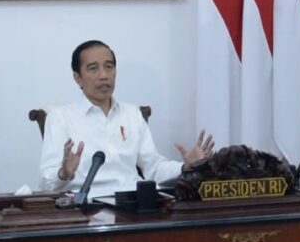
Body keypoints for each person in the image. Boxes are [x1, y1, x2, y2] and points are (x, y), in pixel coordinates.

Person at [39, 40, 214, 197]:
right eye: (93, 68)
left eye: (109, 66)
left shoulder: (132, 114)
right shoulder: (60, 118)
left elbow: (154, 168)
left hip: (131, 203)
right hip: (85, 204)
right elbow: (46, 183)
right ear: (78, 78)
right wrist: (64, 172)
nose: (104, 75)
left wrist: (186, 166)